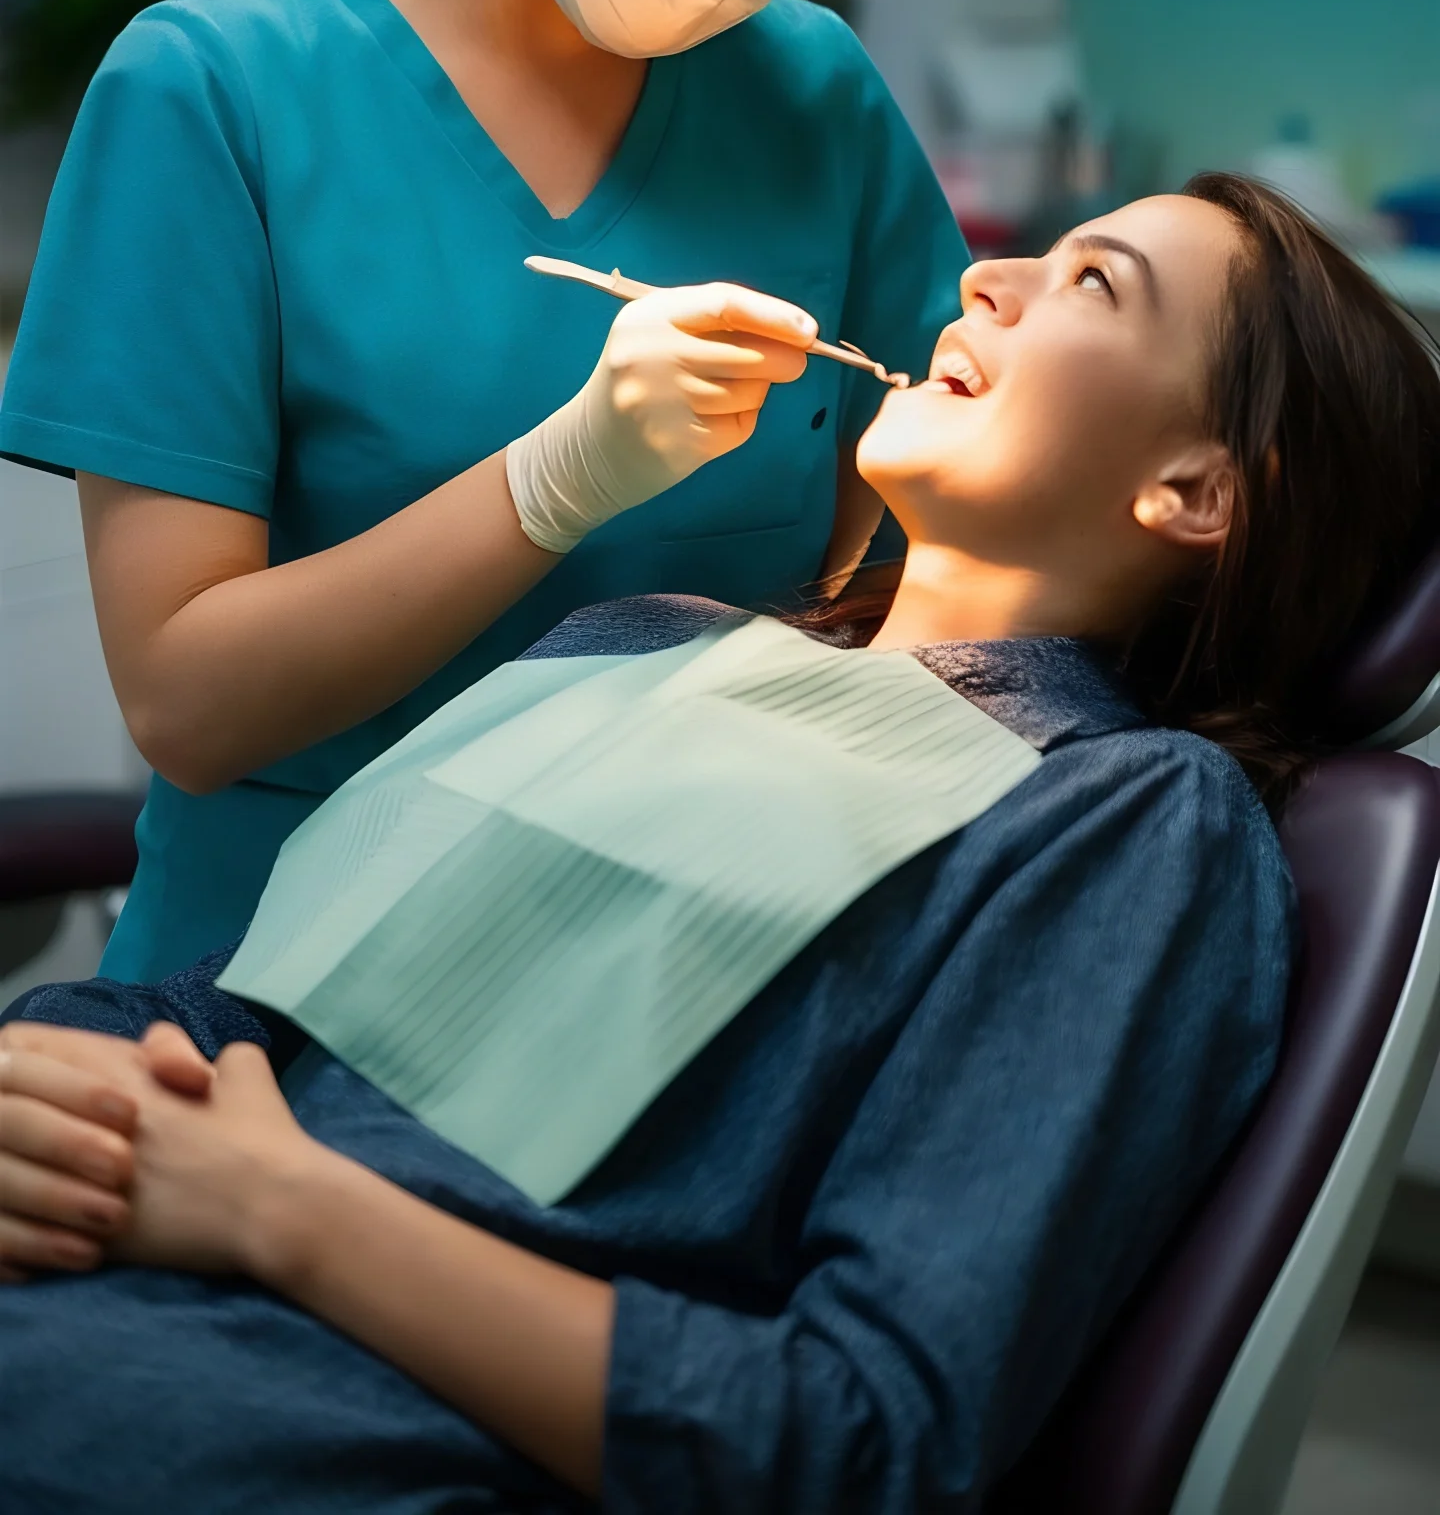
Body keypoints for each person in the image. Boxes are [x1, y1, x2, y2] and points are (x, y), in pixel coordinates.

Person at [3, 176, 1438, 1515]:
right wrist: (47, 1073)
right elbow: (230, 1005)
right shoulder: (635, 643)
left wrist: (285, 1210)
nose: (986, 277)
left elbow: (862, 1438)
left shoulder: (1125, 813)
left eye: (1094, 285)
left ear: (1199, 489)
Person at [0, 0, 966, 983]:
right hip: (280, 1007)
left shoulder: (817, 100)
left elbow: (933, 536)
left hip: (682, 990)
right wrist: (558, 479)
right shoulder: (213, 93)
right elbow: (187, 700)